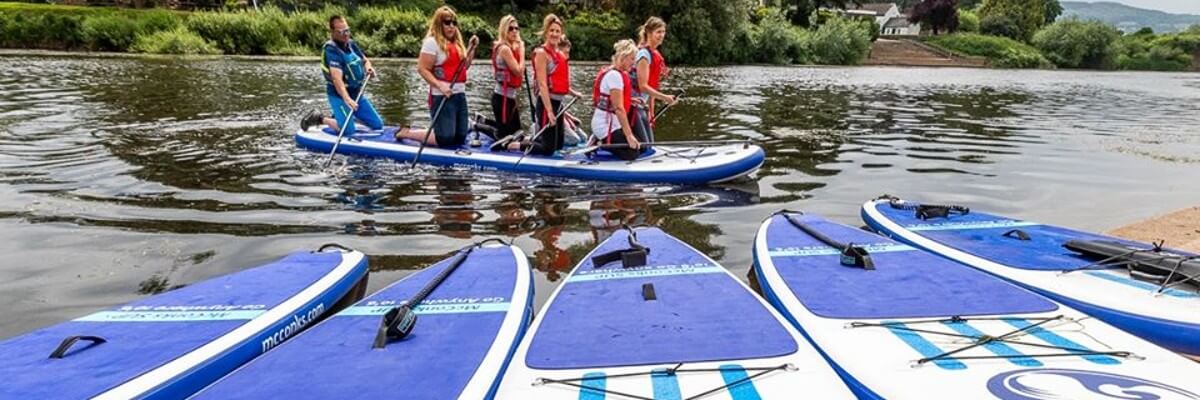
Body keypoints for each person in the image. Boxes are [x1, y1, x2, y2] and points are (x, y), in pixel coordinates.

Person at [397, 6, 479, 148]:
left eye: (454, 22)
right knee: (445, 139)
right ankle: (406, 132)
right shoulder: (432, 43)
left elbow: (464, 67)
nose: (451, 26)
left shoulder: (457, 43)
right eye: (447, 22)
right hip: (442, 96)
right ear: (439, 24)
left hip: (459, 94)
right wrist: (440, 85)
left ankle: (460, 126)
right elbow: (422, 69)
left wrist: (472, 49)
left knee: (460, 137)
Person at [301, 15, 383, 134]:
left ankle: (340, 117)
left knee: (377, 125)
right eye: (341, 32)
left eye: (347, 30)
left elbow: (365, 60)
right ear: (333, 32)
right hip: (339, 96)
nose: (346, 34)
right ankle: (320, 118)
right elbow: (337, 79)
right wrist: (347, 99)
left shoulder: (351, 44)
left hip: (356, 94)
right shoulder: (331, 50)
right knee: (348, 131)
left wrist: (368, 68)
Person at [590, 39, 644, 161]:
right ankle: (599, 143)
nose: (633, 63)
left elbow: (613, 99)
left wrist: (630, 100)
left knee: (641, 147)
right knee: (632, 154)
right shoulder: (614, 76)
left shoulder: (617, 73)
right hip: (604, 126)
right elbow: (619, 109)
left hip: (613, 124)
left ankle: (605, 143)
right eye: (631, 59)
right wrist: (629, 135)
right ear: (623, 57)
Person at [526, 14, 571, 156]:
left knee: (559, 145)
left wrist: (574, 93)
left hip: (559, 104)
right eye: (551, 30)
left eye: (557, 31)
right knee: (548, 149)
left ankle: (535, 138)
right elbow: (543, 84)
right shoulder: (541, 53)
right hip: (547, 104)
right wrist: (550, 111)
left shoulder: (560, 54)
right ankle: (516, 145)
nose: (554, 34)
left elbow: (560, 81)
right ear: (546, 32)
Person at [631, 16, 676, 143]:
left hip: (642, 106)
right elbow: (643, 86)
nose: (662, 35)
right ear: (649, 33)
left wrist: (651, 112)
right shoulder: (644, 55)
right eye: (658, 32)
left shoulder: (654, 54)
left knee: (649, 143)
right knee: (646, 145)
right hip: (633, 106)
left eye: (663, 32)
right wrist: (666, 98)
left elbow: (651, 88)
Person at [489, 15, 524, 141]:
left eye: (516, 28)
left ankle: (484, 122)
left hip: (510, 98)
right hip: (502, 98)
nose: (514, 31)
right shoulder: (504, 49)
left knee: (517, 133)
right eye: (510, 28)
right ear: (504, 30)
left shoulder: (511, 47)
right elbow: (519, 71)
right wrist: (522, 50)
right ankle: (478, 126)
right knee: (505, 136)